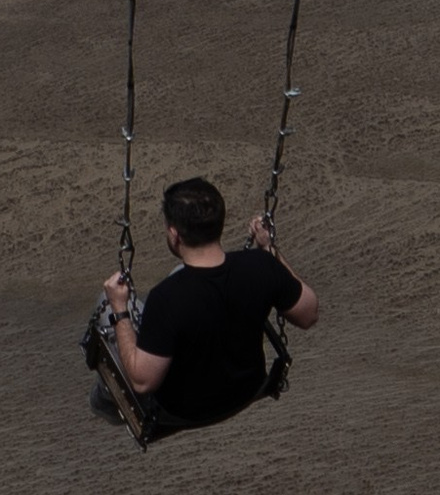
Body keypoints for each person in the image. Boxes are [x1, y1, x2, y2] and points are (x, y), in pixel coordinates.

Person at [95, 176, 317, 437]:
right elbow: (309, 314)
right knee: (183, 276)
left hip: (181, 411)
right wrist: (270, 250)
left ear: (175, 235)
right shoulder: (262, 265)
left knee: (107, 305)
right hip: (246, 390)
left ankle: (104, 404)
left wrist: (120, 309)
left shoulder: (166, 298)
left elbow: (143, 382)